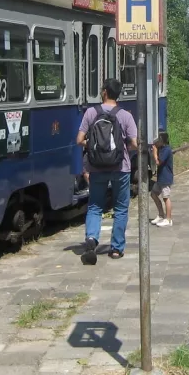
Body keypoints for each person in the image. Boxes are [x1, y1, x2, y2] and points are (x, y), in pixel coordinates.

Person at [76, 78, 137, 264]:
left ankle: (91, 240)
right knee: (120, 208)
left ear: (104, 92)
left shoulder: (91, 112)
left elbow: (79, 140)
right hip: (121, 168)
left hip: (96, 168)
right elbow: (134, 143)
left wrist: (94, 147)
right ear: (118, 94)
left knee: (95, 206)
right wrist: (123, 149)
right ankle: (117, 249)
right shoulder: (125, 116)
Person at [150, 130, 174, 227]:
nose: (155, 142)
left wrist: (155, 153)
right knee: (153, 194)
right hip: (160, 178)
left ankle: (168, 219)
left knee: (166, 198)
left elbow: (158, 162)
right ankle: (161, 214)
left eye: (157, 140)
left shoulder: (166, 150)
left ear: (162, 140)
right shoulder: (161, 148)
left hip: (166, 177)